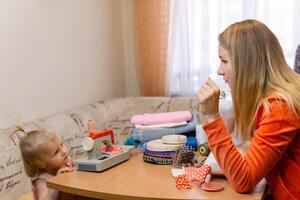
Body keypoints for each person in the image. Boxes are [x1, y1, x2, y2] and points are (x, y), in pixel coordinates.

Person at [197, 19, 300, 200]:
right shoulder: (275, 99)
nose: (220, 71)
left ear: (247, 64)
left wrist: (212, 117)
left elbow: (243, 182)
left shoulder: (279, 107)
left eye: (224, 61)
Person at [17, 126, 75, 200]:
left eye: (61, 144)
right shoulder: (41, 181)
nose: (64, 151)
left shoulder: (67, 162)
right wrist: (56, 184)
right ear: (40, 164)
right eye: (56, 152)